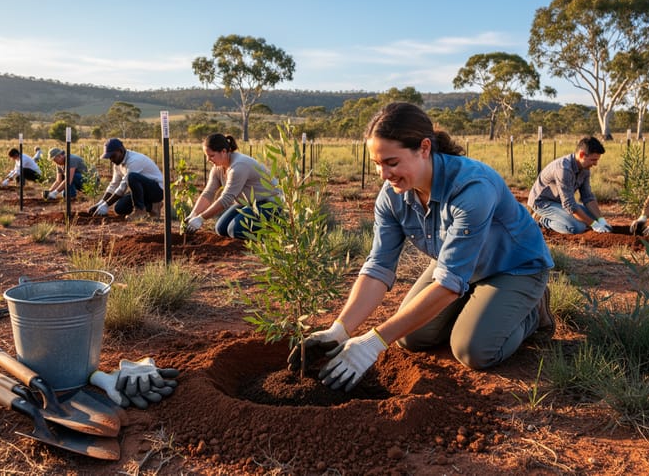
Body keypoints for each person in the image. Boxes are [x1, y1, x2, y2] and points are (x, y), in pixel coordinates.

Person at [288, 102, 554, 393]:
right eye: (377, 164)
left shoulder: (472, 188)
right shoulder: (392, 197)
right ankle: (477, 305)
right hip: (456, 267)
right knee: (410, 338)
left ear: (424, 148)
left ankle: (531, 312)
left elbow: (450, 284)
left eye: (391, 162)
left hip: (512, 269)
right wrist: (340, 330)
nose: (383, 174)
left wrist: (372, 343)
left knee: (472, 350)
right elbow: (378, 268)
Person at [184, 133, 281, 239]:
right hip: (249, 202)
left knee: (235, 230)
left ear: (224, 152)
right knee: (221, 229)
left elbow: (226, 199)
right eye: (207, 156)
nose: (208, 159)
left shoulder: (239, 166)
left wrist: (201, 219)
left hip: (269, 203)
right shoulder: (218, 168)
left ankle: (270, 236)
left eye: (211, 155)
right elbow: (209, 192)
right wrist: (194, 214)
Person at [528, 136, 612, 234]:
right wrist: (594, 225)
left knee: (594, 218)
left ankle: (563, 217)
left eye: (597, 160)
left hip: (560, 202)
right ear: (581, 154)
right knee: (576, 227)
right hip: (542, 203)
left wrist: (601, 220)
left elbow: (588, 197)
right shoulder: (563, 169)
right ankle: (542, 220)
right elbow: (569, 204)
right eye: (593, 160)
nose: (595, 164)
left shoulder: (585, 169)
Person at [87, 138, 164, 221]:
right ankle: (153, 206)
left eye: (113, 156)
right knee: (119, 208)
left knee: (132, 177)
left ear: (120, 151)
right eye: (110, 157)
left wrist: (106, 205)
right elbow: (114, 184)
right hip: (142, 192)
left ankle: (140, 210)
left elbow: (122, 186)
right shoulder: (117, 164)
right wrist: (101, 203)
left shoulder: (134, 160)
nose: (112, 160)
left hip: (157, 190)